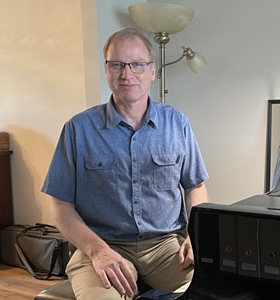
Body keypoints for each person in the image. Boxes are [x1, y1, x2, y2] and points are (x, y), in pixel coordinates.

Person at [41, 28, 209, 300]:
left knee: (220, 289)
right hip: (102, 244)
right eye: (116, 64)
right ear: (106, 70)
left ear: (153, 71)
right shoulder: (78, 129)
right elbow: (60, 207)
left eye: (137, 64)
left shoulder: (177, 123)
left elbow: (195, 186)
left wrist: (196, 236)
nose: (126, 74)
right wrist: (97, 251)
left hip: (166, 246)